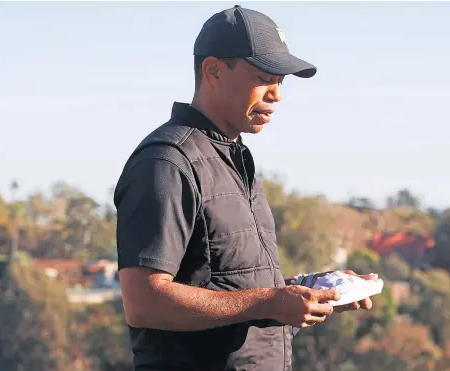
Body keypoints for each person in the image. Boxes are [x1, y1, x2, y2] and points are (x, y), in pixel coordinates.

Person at [114, 5, 376, 371]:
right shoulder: (167, 162)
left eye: (281, 81)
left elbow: (233, 287)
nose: (276, 94)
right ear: (213, 71)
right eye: (263, 76)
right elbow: (143, 302)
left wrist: (306, 292)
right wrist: (269, 302)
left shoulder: (234, 159)